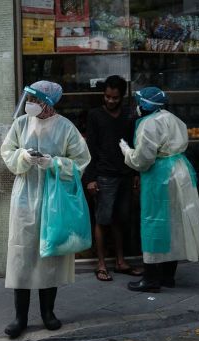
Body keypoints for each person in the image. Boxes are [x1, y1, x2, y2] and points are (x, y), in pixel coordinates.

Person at [0, 80, 91, 338]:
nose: (29, 103)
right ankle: (20, 318)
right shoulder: (20, 124)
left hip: (54, 198)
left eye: (34, 99)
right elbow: (7, 152)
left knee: (49, 256)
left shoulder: (66, 128)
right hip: (25, 198)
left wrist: (54, 163)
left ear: (46, 102)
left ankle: (48, 313)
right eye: (28, 98)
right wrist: (24, 157)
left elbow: (81, 160)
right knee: (22, 256)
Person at [119, 86, 199, 292]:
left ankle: (150, 279)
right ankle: (168, 276)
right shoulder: (172, 118)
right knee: (175, 222)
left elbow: (143, 160)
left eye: (138, 102)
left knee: (154, 223)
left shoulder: (149, 124)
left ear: (144, 104)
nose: (136, 106)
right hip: (181, 171)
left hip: (159, 176)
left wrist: (126, 151)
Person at [83, 75, 143, 282]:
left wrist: (135, 173)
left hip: (126, 174)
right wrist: (90, 178)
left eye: (115, 98)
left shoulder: (129, 115)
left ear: (122, 97)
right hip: (104, 175)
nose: (110, 101)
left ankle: (120, 261)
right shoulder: (95, 115)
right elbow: (90, 148)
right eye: (107, 96)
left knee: (121, 219)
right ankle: (101, 264)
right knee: (102, 220)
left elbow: (134, 145)